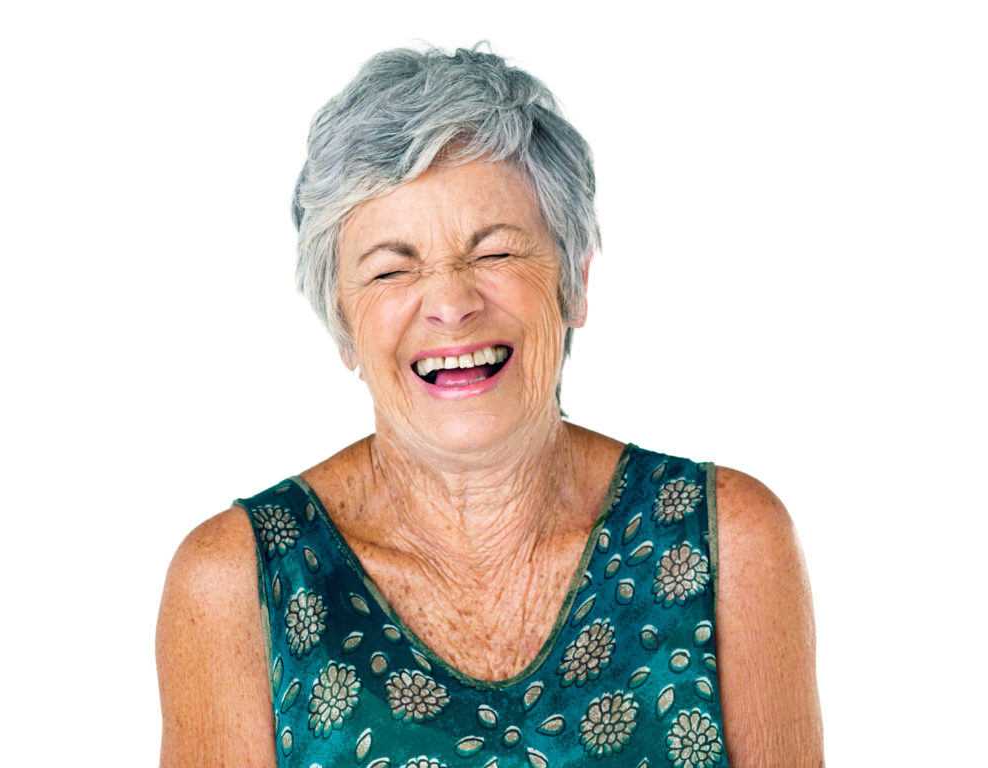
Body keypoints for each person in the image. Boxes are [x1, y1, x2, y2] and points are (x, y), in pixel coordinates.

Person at [156, 45, 822, 768]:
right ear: (343, 325)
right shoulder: (239, 580)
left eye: (495, 253)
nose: (450, 303)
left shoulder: (726, 541)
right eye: (391, 267)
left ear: (573, 284)